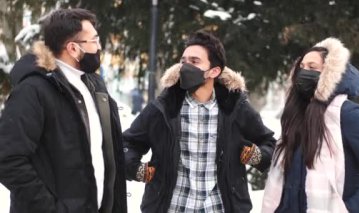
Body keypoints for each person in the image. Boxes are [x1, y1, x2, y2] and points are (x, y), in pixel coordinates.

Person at [123, 30, 276, 212]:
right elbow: (128, 143)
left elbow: (270, 144)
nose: (185, 67)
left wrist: (258, 155)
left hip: (219, 207)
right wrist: (135, 168)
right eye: (183, 61)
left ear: (214, 71)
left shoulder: (235, 108)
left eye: (194, 62)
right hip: (173, 207)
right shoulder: (163, 108)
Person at [0, 8, 127, 213]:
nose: (99, 47)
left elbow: (105, 151)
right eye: (94, 41)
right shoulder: (33, 90)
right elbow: (7, 159)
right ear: (73, 49)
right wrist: (50, 208)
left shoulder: (94, 84)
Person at [262, 37, 359, 212]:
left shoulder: (348, 115)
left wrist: (350, 210)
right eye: (301, 67)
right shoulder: (297, 114)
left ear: (329, 74)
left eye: (312, 67)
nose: (304, 72)